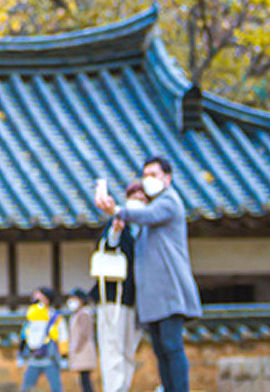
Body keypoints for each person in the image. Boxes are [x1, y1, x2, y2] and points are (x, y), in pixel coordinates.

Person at [96, 156, 201, 392]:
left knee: (172, 347)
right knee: (161, 351)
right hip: (152, 294)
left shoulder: (169, 201)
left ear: (168, 177)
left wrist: (117, 210)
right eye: (145, 175)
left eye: (154, 174)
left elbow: (148, 215)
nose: (149, 180)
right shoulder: (151, 210)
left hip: (168, 288)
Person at [90, 181, 144, 392]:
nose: (138, 202)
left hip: (135, 300)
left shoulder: (146, 228)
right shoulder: (121, 223)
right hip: (114, 298)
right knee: (112, 349)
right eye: (135, 198)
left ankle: (124, 387)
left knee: (128, 350)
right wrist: (116, 230)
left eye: (142, 199)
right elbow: (109, 243)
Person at [19, 286, 68, 392]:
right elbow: (24, 335)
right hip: (33, 357)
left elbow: (63, 336)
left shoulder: (54, 316)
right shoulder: (31, 316)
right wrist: (21, 353)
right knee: (26, 388)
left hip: (49, 358)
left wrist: (64, 356)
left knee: (56, 388)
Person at [67, 288, 97, 392]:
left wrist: (77, 348)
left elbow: (84, 333)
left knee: (85, 379)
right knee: (84, 378)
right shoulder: (78, 314)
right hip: (81, 350)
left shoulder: (84, 314)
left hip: (83, 350)